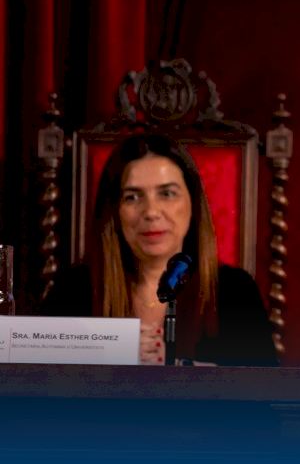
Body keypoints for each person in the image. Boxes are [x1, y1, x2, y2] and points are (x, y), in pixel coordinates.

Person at [42, 134, 278, 367]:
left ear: (193, 203)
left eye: (167, 194)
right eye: (132, 197)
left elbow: (261, 388)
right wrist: (109, 353)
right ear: (114, 210)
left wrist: (177, 368)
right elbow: (39, 381)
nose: (151, 212)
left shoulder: (235, 292)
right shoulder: (73, 290)